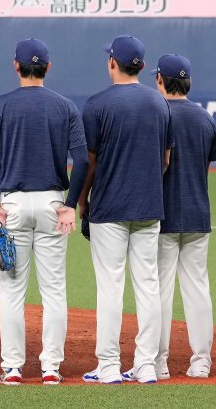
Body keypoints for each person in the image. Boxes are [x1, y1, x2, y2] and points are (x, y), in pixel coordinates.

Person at [0, 38, 84, 385]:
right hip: (54, 203)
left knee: (12, 291)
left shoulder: (0, 106)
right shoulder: (65, 106)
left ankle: (12, 367)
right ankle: (51, 367)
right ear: (48, 68)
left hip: (13, 205)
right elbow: (81, 160)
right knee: (54, 291)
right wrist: (70, 206)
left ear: (15, 66)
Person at [78, 35, 170, 385]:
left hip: (109, 208)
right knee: (148, 287)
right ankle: (146, 365)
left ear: (112, 62)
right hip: (149, 206)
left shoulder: (97, 104)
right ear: (143, 67)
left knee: (110, 288)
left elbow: (89, 162)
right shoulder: (159, 103)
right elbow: (165, 159)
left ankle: (109, 365)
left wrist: (83, 201)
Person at [153, 54, 216, 381]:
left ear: (160, 79)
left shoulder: (157, 114)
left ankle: (159, 363)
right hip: (197, 213)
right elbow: (204, 169)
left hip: (162, 215)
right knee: (197, 289)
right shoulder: (205, 118)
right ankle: (201, 361)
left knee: (160, 290)